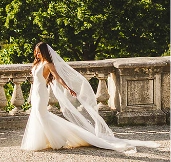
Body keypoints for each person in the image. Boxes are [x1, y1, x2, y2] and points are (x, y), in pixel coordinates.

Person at [21, 42, 160, 153]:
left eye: (39, 51)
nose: (37, 53)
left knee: (42, 115)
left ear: (44, 52)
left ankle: (57, 140)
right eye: (36, 51)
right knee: (38, 115)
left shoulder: (47, 64)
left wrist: (68, 88)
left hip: (42, 93)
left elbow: (57, 78)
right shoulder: (37, 63)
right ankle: (44, 140)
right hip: (36, 93)